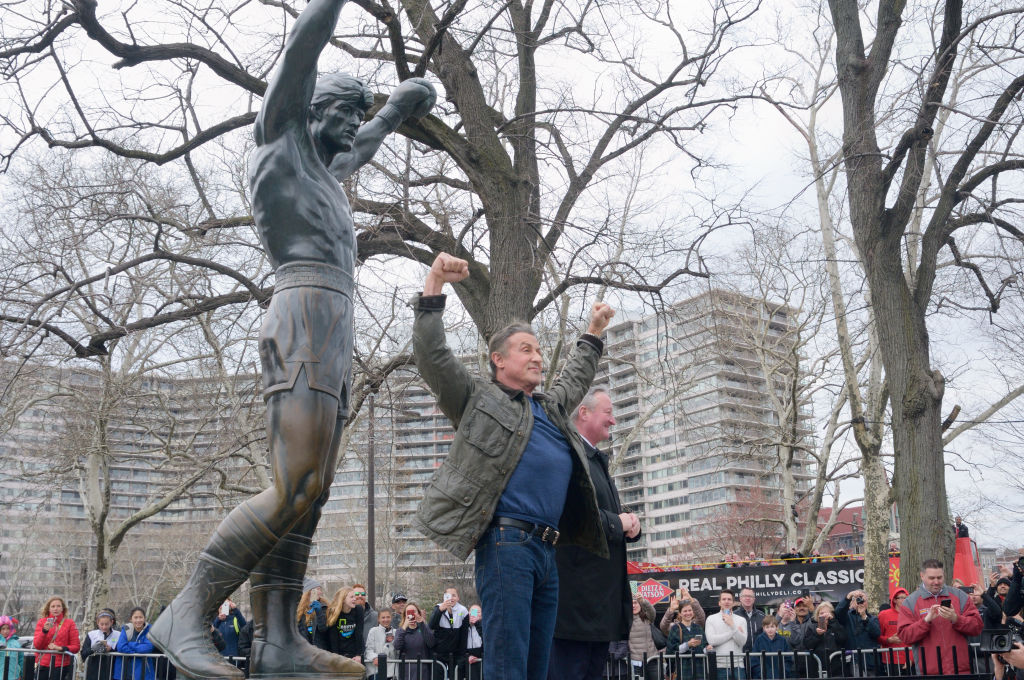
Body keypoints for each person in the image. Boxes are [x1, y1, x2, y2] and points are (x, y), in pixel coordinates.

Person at [147, 0, 436, 677]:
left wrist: (394, 109)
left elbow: (362, 139)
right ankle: (186, 612)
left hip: (334, 319)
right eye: (339, 113)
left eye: (353, 119)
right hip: (301, 307)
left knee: (315, 487)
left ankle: (278, 642)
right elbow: (300, 56)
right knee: (294, 479)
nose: (348, 128)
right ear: (306, 110)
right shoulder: (280, 138)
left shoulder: (327, 170)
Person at [410, 251, 615, 680]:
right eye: (526, 350)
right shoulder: (477, 399)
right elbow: (433, 356)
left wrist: (593, 332)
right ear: (498, 360)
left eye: (539, 350)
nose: (538, 357)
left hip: (547, 552)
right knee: (507, 664)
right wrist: (434, 285)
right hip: (507, 548)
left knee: (537, 667)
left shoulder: (550, 409)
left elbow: (575, 376)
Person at [548, 387, 641, 680]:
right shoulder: (568, 457)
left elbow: (602, 514)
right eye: (608, 413)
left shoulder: (595, 460)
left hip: (597, 609)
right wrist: (619, 523)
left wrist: (630, 525)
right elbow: (573, 516)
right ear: (584, 413)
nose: (613, 421)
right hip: (575, 609)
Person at [897, 558, 983, 675]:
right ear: (922, 576)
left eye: (939, 577)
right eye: (931, 578)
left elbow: (977, 626)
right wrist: (925, 621)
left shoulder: (960, 596)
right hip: (929, 672)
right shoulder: (910, 602)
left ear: (944, 575)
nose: (936, 582)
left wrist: (956, 619)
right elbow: (905, 636)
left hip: (961, 670)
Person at [33, 596, 80, 680]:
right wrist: (44, 631)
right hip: (44, 665)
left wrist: (60, 648)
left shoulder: (70, 623)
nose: (56, 609)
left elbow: (76, 647)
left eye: (58, 606)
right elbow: (37, 645)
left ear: (63, 608)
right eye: (53, 606)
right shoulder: (42, 622)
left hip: (62, 666)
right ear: (49, 609)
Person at [835, 588, 880, 675]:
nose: (860, 602)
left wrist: (864, 616)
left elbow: (876, 633)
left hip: (869, 662)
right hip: (853, 661)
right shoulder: (847, 617)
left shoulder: (872, 618)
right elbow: (838, 612)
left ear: (867, 603)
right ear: (852, 602)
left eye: (863, 600)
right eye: (857, 599)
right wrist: (848, 597)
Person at [704, 590, 747, 680]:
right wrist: (733, 631)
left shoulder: (741, 620)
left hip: (738, 665)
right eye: (724, 599)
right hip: (719, 666)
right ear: (719, 603)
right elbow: (712, 640)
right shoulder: (711, 619)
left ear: (733, 603)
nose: (726, 601)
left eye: (729, 599)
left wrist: (732, 625)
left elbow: (742, 642)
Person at [428, 588, 468, 680]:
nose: (451, 598)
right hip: (439, 653)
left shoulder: (463, 610)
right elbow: (431, 625)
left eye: (454, 595)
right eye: (448, 596)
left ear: (458, 598)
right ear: (444, 597)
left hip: (455, 654)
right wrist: (440, 610)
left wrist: (462, 656)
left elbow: (464, 635)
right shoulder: (438, 607)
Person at [802, 602, 847, 677]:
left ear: (832, 614)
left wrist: (833, 622)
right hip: (816, 668)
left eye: (827, 613)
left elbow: (843, 639)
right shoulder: (812, 627)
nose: (824, 615)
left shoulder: (837, 625)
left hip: (835, 668)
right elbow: (807, 645)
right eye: (821, 613)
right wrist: (817, 635)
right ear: (817, 615)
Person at [877, 588, 912, 675]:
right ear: (895, 600)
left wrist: (911, 659)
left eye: (906, 598)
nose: (904, 600)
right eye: (901, 598)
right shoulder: (884, 615)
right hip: (890, 660)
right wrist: (888, 640)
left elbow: (915, 639)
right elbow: (877, 637)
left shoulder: (912, 615)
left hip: (908, 659)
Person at [394, 603, 434, 680]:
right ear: (405, 616)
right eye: (408, 612)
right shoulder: (401, 630)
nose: (411, 614)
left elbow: (431, 643)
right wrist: (404, 627)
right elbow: (397, 646)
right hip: (407, 672)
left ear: (418, 613)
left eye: (414, 611)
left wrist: (422, 624)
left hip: (423, 671)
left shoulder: (424, 628)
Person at [666, 602, 705, 680]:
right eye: (685, 611)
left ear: (693, 612)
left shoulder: (698, 628)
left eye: (690, 610)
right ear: (680, 613)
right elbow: (670, 652)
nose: (688, 613)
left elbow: (704, 646)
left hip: (699, 669)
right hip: (682, 670)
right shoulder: (675, 628)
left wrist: (708, 648)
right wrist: (688, 645)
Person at [778, 598, 815, 678]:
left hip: (810, 663)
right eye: (798, 606)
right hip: (793, 665)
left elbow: (818, 620)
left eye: (804, 606)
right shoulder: (789, 623)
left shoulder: (812, 621)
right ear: (794, 609)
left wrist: (812, 609)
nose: (801, 608)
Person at [115, 608, 156, 680]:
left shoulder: (150, 629)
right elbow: (121, 647)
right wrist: (135, 651)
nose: (138, 620)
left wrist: (130, 644)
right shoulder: (126, 628)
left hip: (143, 670)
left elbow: (148, 647)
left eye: (141, 617)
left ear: (144, 618)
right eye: (135, 617)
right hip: (124, 669)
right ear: (131, 619)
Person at [326, 587, 365, 663]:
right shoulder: (334, 612)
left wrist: (358, 655)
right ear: (343, 599)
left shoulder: (358, 610)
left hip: (354, 652)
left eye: (354, 596)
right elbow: (333, 637)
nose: (355, 599)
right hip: (339, 652)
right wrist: (336, 656)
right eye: (351, 597)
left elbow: (359, 633)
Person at [82, 609, 121, 680]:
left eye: (107, 624)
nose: (104, 627)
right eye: (102, 624)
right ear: (97, 622)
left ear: (112, 622)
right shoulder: (92, 635)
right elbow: (83, 654)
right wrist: (93, 649)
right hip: (94, 671)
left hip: (111, 671)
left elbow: (121, 653)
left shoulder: (118, 635)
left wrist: (111, 650)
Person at [749, 615, 791, 680]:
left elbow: (788, 659)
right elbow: (754, 659)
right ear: (764, 628)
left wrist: (784, 672)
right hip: (763, 676)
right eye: (767, 627)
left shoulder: (782, 640)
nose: (770, 629)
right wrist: (760, 673)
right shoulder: (759, 640)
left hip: (780, 676)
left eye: (772, 627)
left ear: (777, 627)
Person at [298, 580, 330, 651]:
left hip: (320, 650)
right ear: (309, 591)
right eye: (318, 589)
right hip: (305, 650)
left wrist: (319, 613)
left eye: (320, 589)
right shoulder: (300, 610)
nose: (320, 592)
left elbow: (323, 629)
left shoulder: (324, 607)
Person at [365, 609, 397, 680]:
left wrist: (390, 643)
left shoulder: (395, 632)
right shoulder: (373, 631)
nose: (386, 619)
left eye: (388, 617)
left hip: (391, 672)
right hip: (375, 671)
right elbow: (368, 650)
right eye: (383, 617)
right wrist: (375, 658)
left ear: (391, 618)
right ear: (378, 619)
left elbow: (395, 654)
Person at [734, 588, 763, 653]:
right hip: (740, 656)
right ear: (740, 599)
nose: (748, 598)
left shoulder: (762, 616)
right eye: (745, 596)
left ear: (754, 599)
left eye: (750, 596)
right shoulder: (734, 616)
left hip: (758, 656)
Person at [0, 615, 23, 680]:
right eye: (3, 629)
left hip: (14, 677)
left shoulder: (16, 643)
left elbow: (21, 660)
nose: (5, 631)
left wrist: (21, 674)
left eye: (8, 628)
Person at [465, 605, 483, 680]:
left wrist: (477, 624)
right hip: (469, 661)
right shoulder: (464, 627)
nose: (474, 614)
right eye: (472, 612)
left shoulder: (484, 626)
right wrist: (467, 656)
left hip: (482, 660)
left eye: (478, 612)